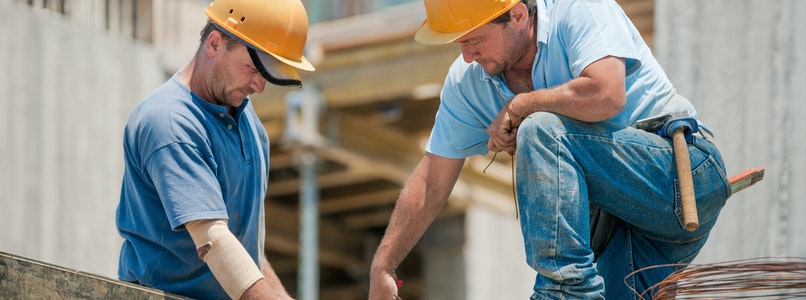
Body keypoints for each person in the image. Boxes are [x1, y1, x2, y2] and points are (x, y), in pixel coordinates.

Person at [369, 0, 730, 299]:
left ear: (518, 15)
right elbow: (432, 180)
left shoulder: (579, 11)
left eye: (474, 40)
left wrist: (521, 105)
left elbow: (607, 94)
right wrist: (382, 266)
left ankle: (564, 291)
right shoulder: (467, 82)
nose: (466, 56)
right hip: (624, 233)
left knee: (542, 129)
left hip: (679, 180)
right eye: (459, 44)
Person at [115, 0, 314, 299]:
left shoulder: (249, 125)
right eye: (253, 67)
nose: (260, 86)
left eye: (270, 71)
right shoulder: (170, 123)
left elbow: (242, 249)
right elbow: (215, 242)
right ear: (214, 43)